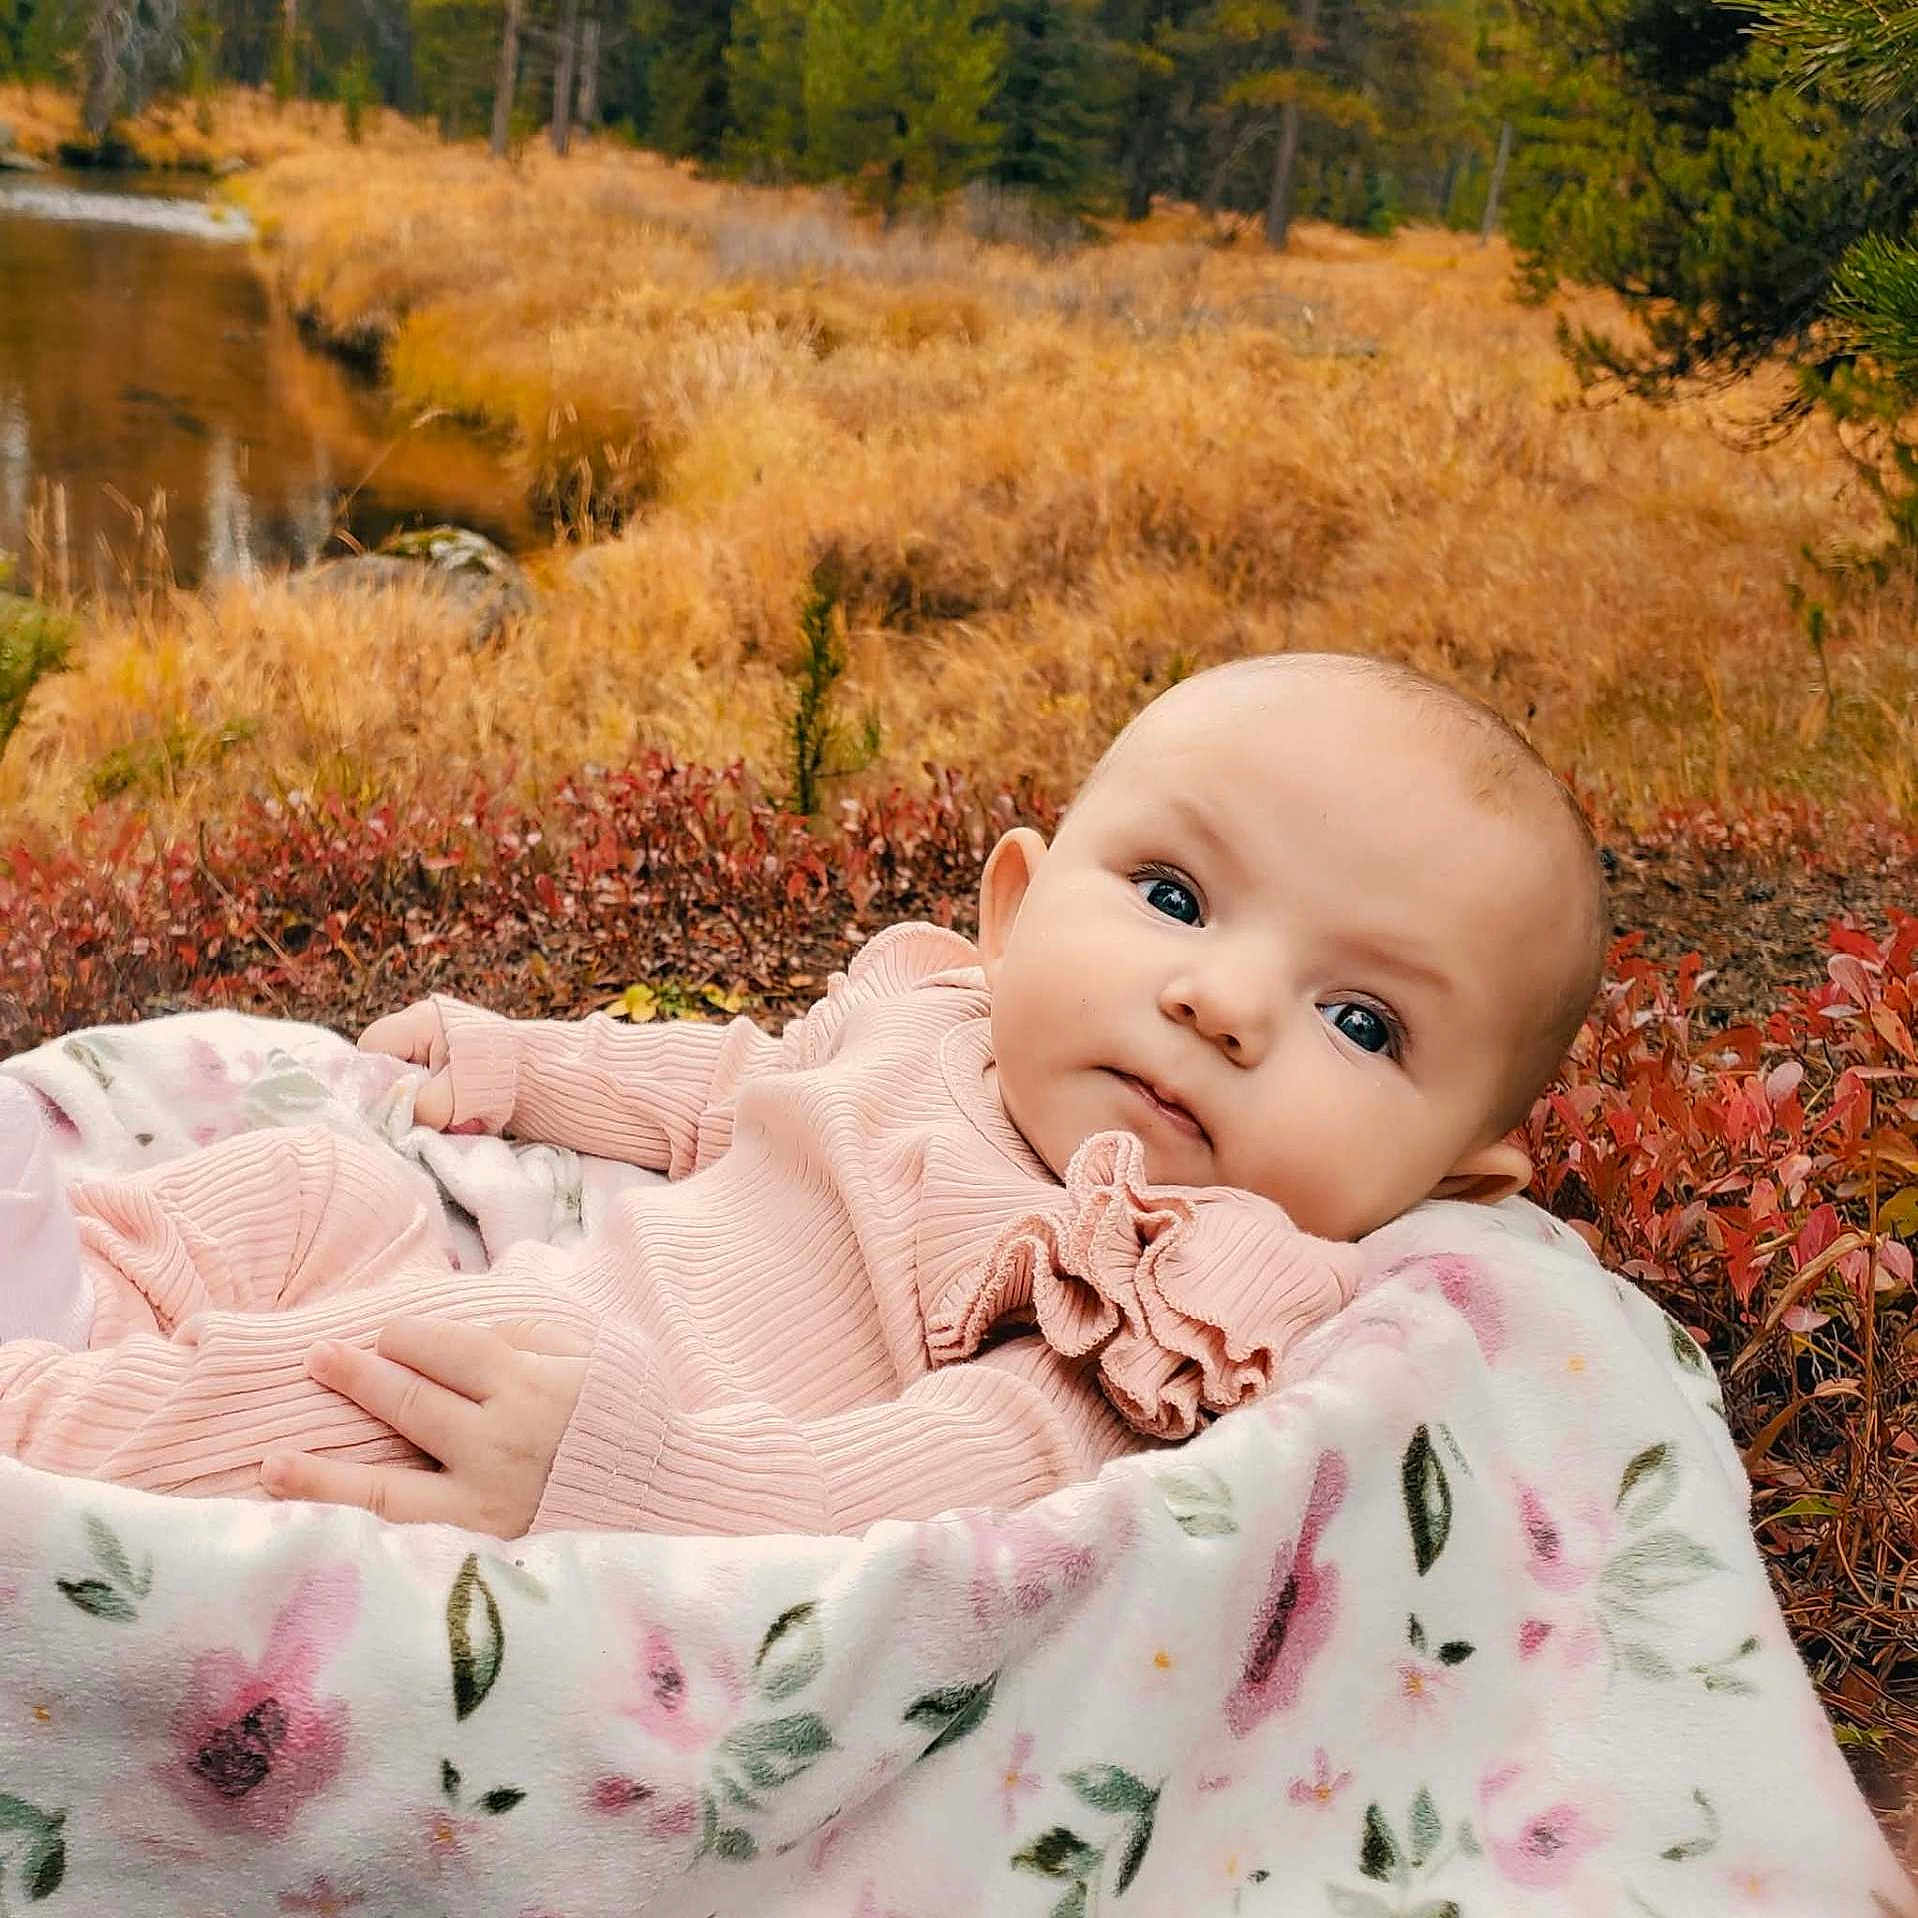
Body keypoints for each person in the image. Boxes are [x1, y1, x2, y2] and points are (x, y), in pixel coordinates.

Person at [0, 653, 1606, 1539]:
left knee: (322, 1393)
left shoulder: (1158, 1281)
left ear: (1461, 1174)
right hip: (508, 1302)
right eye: (1176, 899)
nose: (1225, 1001)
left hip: (599, 1438)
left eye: (1359, 1018)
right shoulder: (940, 1031)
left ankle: (40, 1442)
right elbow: (738, 1091)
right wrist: (534, 1060)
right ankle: (76, 1288)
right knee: (318, 1186)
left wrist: (642, 1484)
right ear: (1013, 908)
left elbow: (969, 1474)